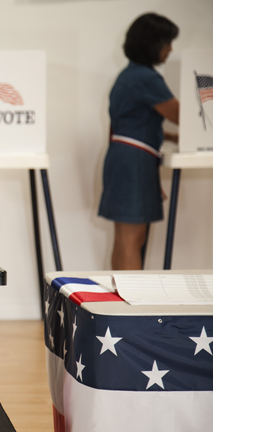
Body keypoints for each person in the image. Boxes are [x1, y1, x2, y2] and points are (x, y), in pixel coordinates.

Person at [98, 13, 180, 270]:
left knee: (124, 238)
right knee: (134, 239)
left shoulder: (128, 75)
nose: (170, 49)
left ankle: (118, 302)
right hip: (136, 164)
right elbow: (181, 115)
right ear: (152, 43)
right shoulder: (147, 78)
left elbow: (135, 123)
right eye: (167, 41)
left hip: (123, 158)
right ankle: (131, 307)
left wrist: (169, 136)